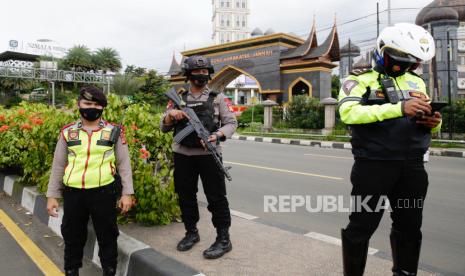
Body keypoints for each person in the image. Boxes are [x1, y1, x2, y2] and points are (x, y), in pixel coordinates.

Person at [338, 23, 441, 276]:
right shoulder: (358, 80)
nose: (410, 66)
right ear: (385, 52)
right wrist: (398, 108)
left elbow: (427, 121)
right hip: (373, 166)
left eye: (415, 62)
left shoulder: (416, 82)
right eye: (404, 60)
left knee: (410, 226)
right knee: (362, 225)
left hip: (413, 167)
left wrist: (434, 124)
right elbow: (349, 113)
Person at [46, 86, 134, 276]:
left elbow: (124, 164)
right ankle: (71, 270)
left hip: (103, 193)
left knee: (107, 236)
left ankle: (109, 271)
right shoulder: (68, 132)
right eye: (87, 103)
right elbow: (58, 165)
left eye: (96, 104)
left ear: (102, 108)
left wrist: (127, 193)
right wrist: (52, 195)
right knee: (72, 236)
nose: (91, 107)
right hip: (73, 193)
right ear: (79, 104)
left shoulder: (114, 132)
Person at [160, 55, 238, 259]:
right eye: (197, 72)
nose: (201, 75)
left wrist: (216, 136)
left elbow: (231, 123)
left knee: (217, 197)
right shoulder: (178, 98)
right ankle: (191, 233)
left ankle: (223, 239)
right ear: (188, 74)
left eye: (205, 72)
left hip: (209, 155)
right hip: (183, 155)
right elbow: (163, 126)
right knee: (186, 195)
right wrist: (171, 115)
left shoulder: (218, 97)